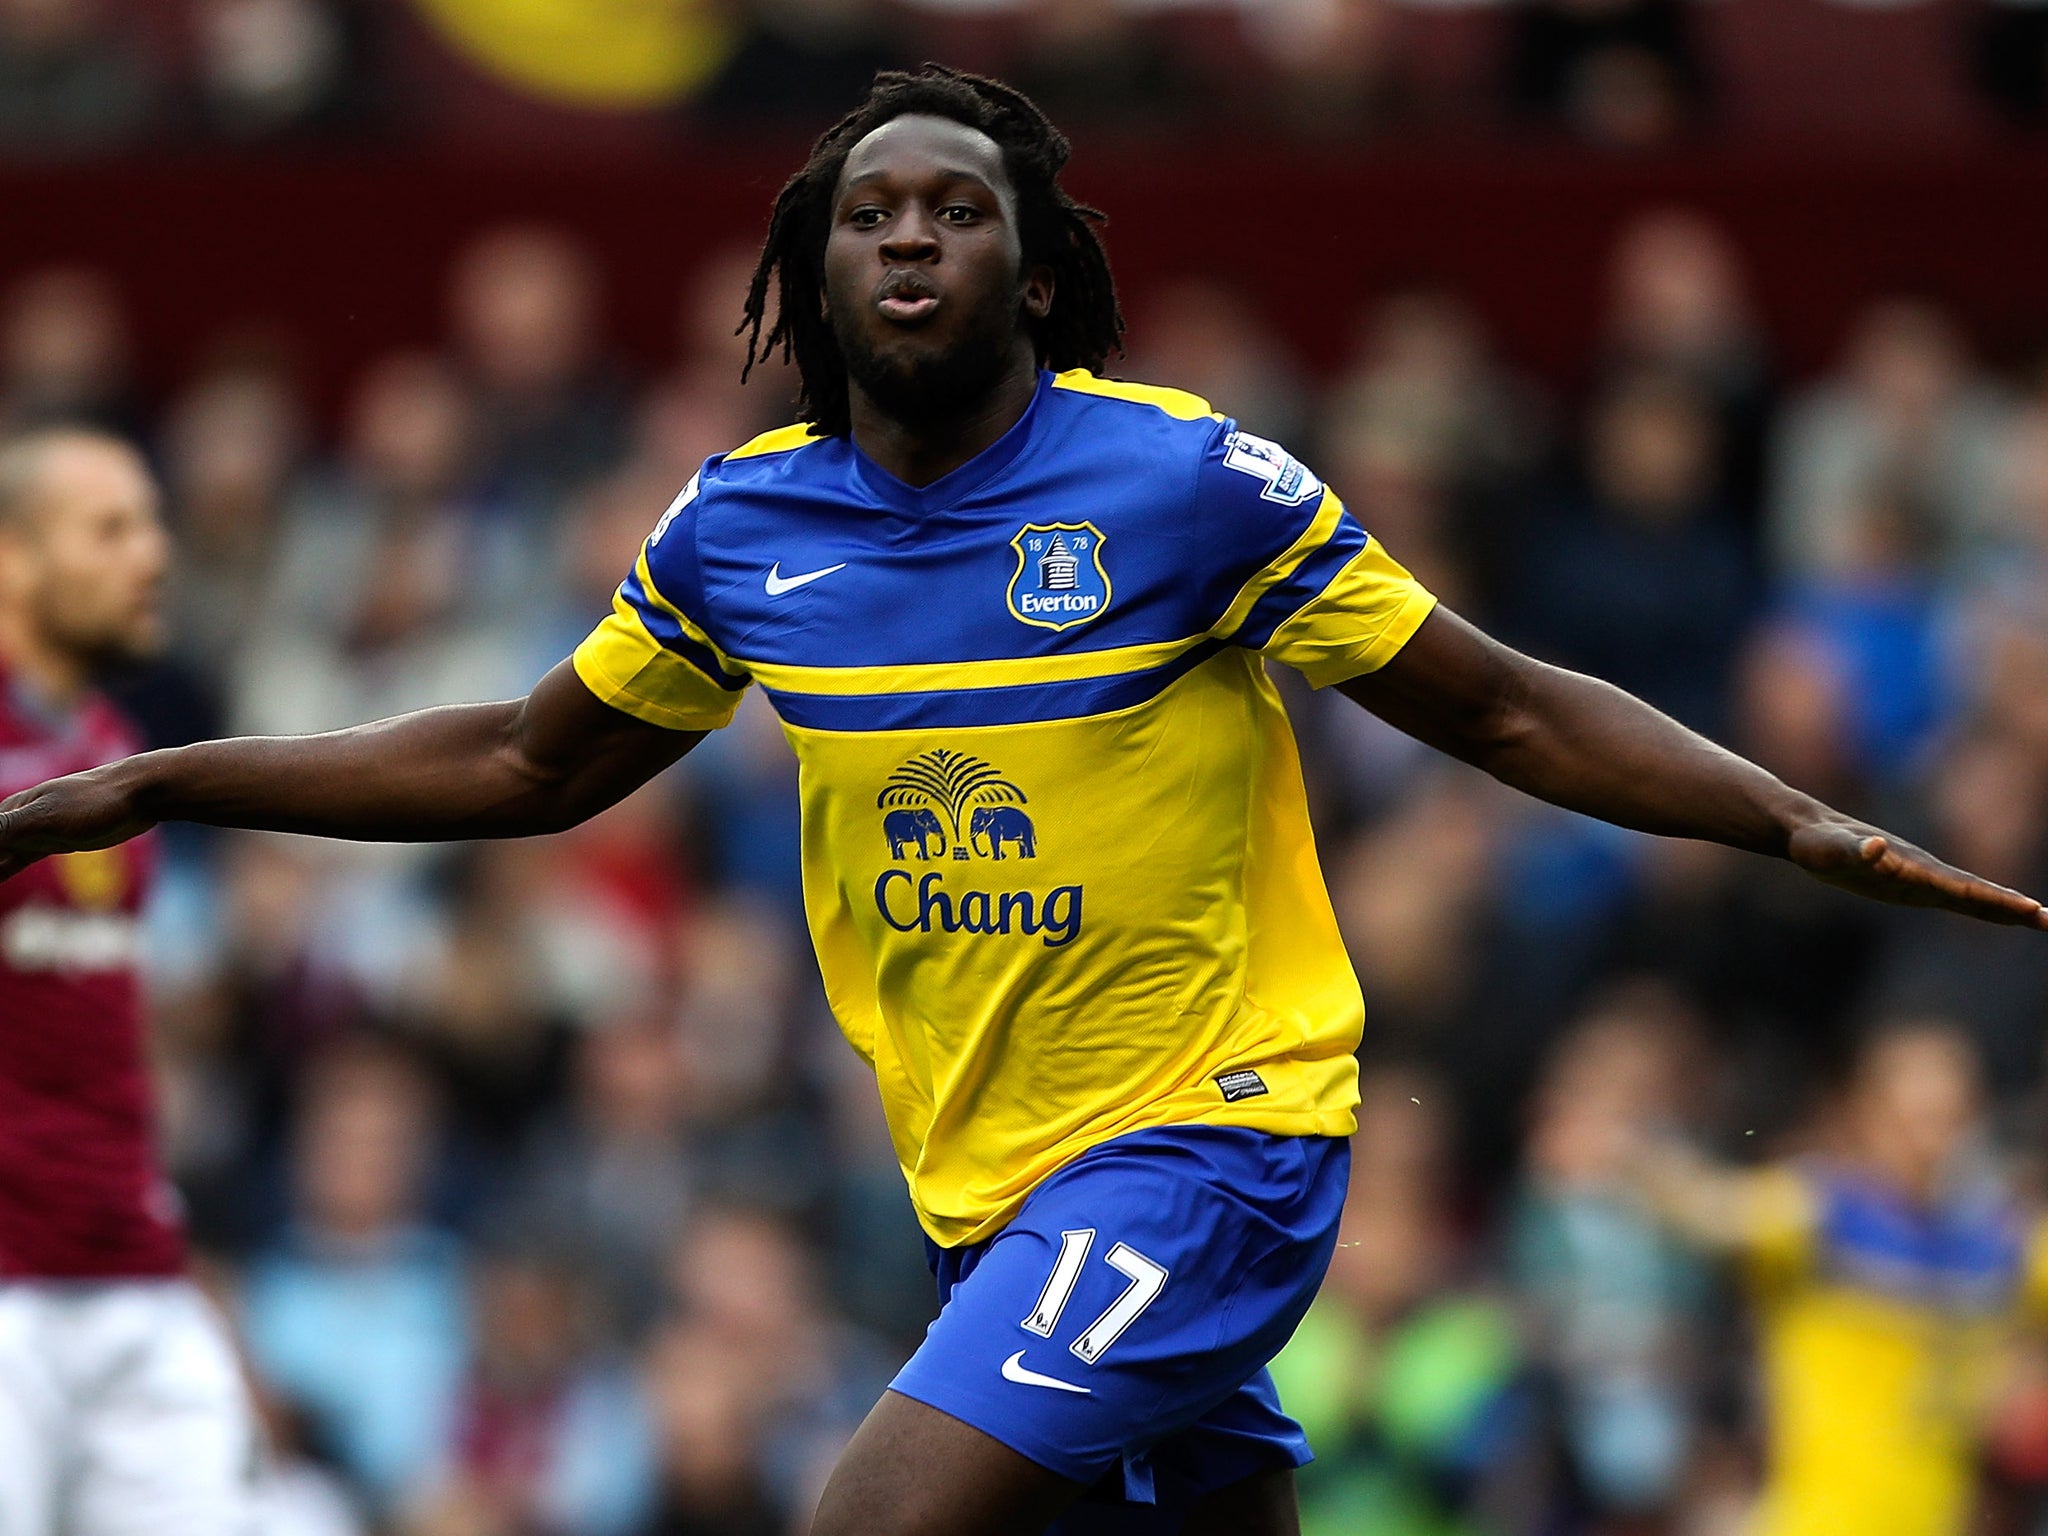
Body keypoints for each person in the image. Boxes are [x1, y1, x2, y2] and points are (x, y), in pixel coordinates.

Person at [0, 66, 2041, 1536]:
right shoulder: (741, 531)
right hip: (983, 1187)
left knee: (874, 1515)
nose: (906, 230)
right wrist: (159, 780)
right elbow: (529, 762)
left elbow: (1498, 710)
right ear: (807, 270)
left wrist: (1783, 819)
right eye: (867, 208)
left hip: (1212, 1140)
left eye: (953, 205)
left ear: (1035, 272)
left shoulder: (1185, 488)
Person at [0, 428, 260, 1534]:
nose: (152, 555)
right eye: (109, 529)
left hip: (131, 1267)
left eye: (153, 524)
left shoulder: (111, 751)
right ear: (13, 560)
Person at [1633, 1019, 2048, 1536]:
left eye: (1949, 1120)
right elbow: (1709, 1209)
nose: (1930, 1143)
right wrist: (1638, 1151)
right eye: (1911, 1120)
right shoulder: (1822, 1214)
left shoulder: (1995, 1247)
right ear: (1866, 1114)